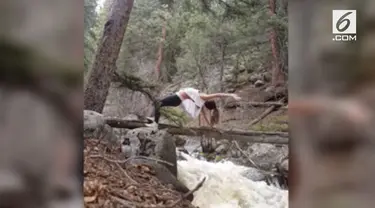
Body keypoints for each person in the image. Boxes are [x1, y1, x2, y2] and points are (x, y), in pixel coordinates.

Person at [146, 87, 241, 128]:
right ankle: (154, 122)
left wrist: (232, 95)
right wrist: (209, 125)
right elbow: (203, 113)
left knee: (158, 103)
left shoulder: (203, 97)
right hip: (177, 100)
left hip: (177, 98)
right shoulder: (201, 102)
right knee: (158, 104)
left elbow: (218, 94)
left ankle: (154, 123)